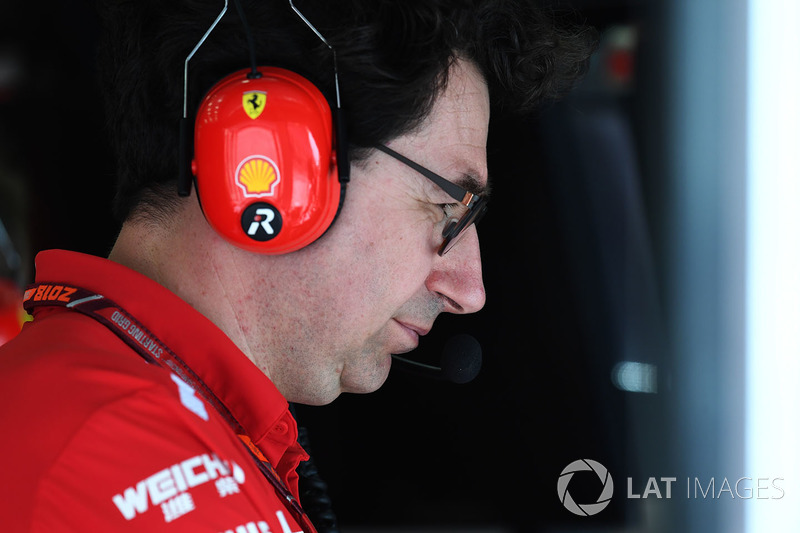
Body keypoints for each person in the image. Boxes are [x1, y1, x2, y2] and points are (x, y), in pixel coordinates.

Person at [0, 0, 596, 531]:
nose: (470, 290)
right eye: (448, 209)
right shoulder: (113, 467)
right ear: (269, 163)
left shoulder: (167, 436)